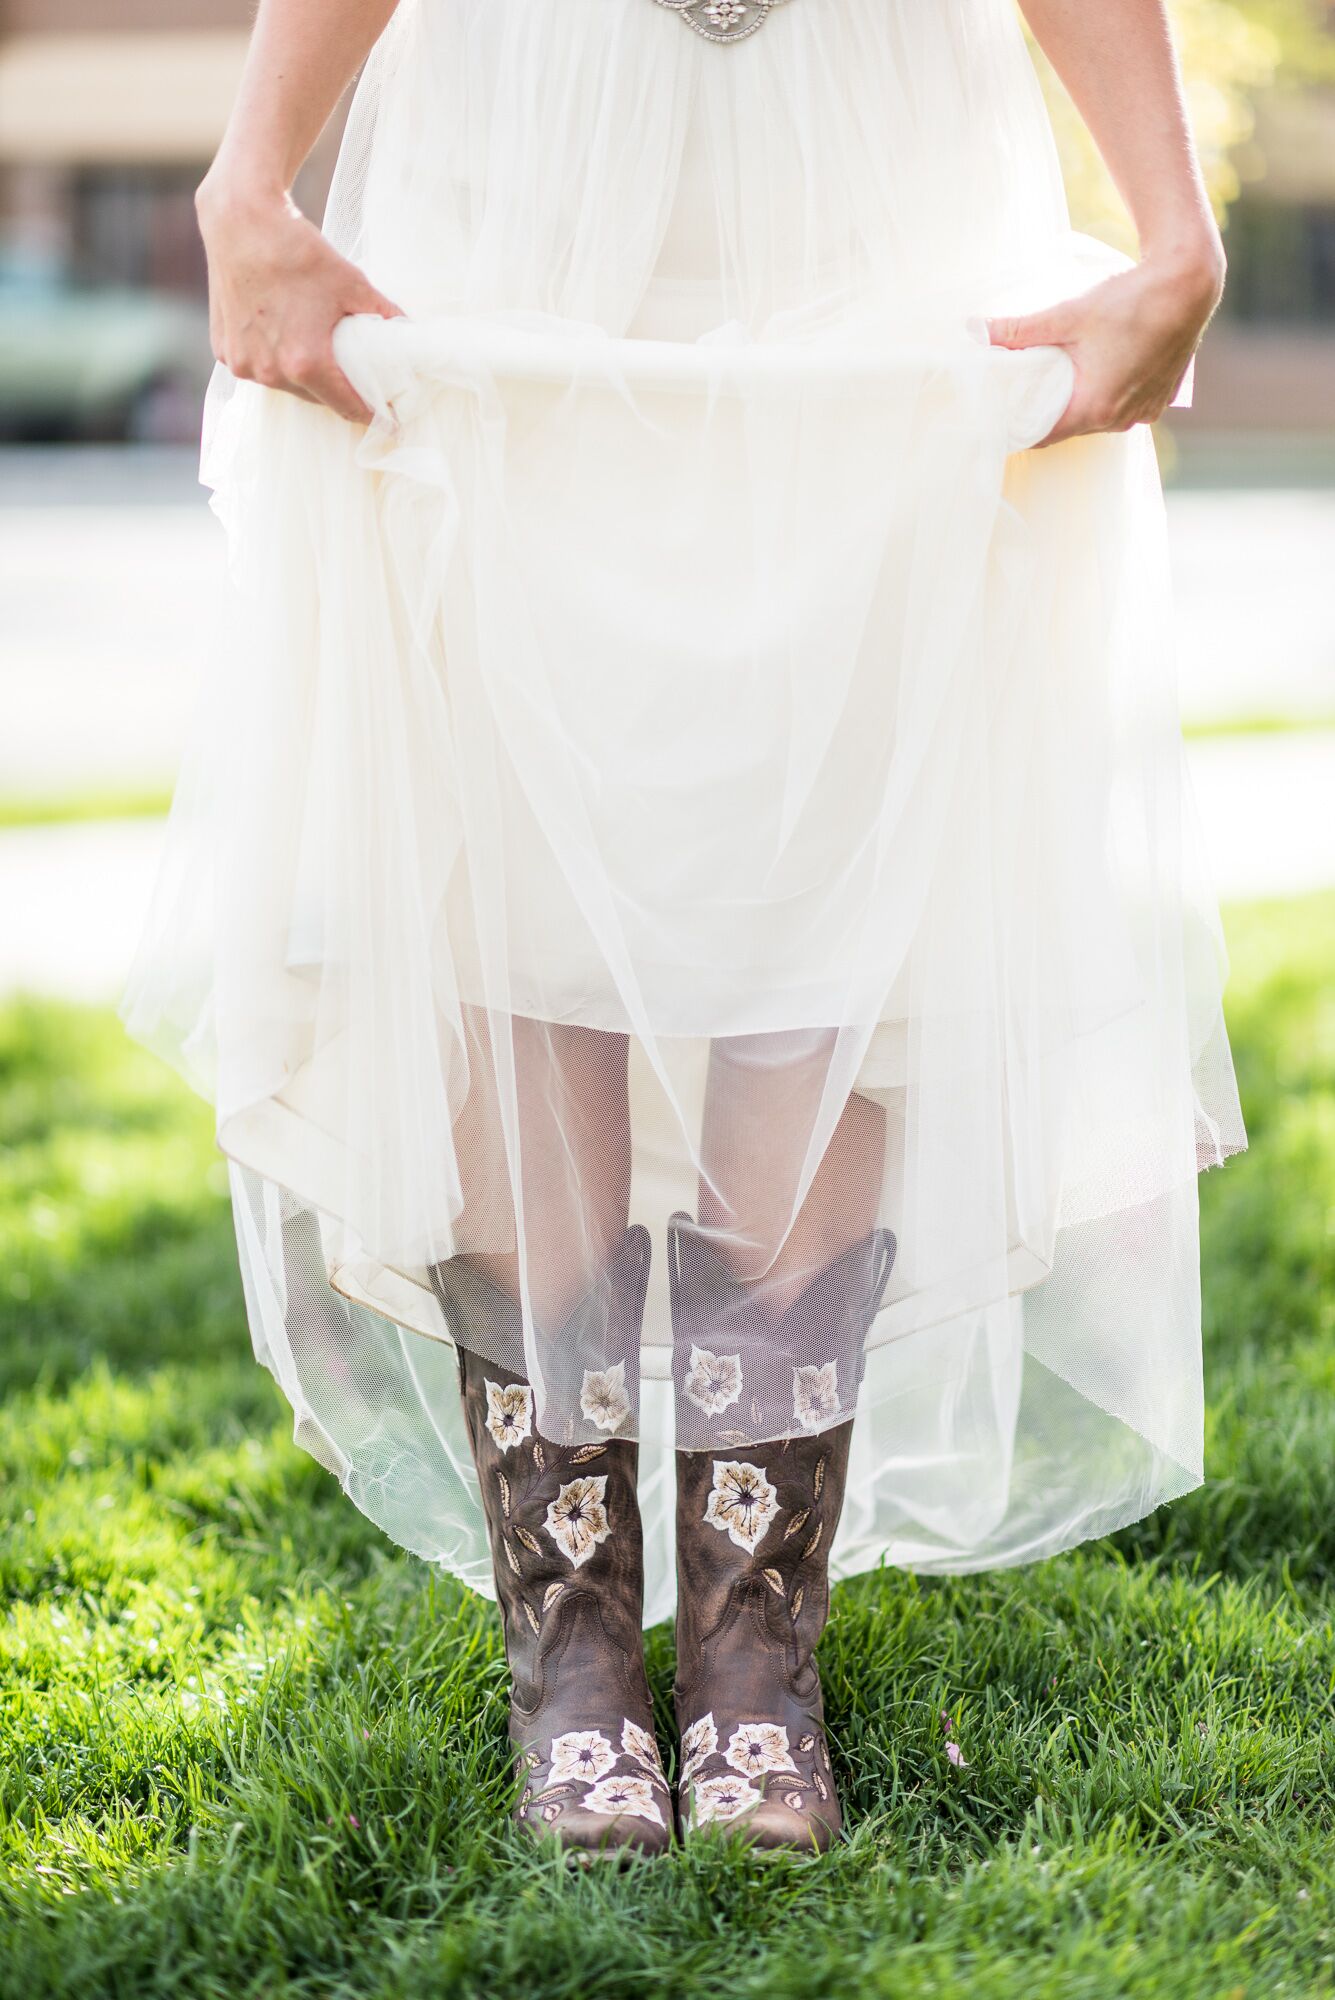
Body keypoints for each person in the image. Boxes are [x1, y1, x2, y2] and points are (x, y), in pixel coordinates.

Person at [124, 0, 1245, 1858]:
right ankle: (573, 1657)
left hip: (869, 150)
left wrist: (1177, 222)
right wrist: (251, 167)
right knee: (518, 868)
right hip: (527, 140)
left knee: (838, 865)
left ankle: (751, 1661)